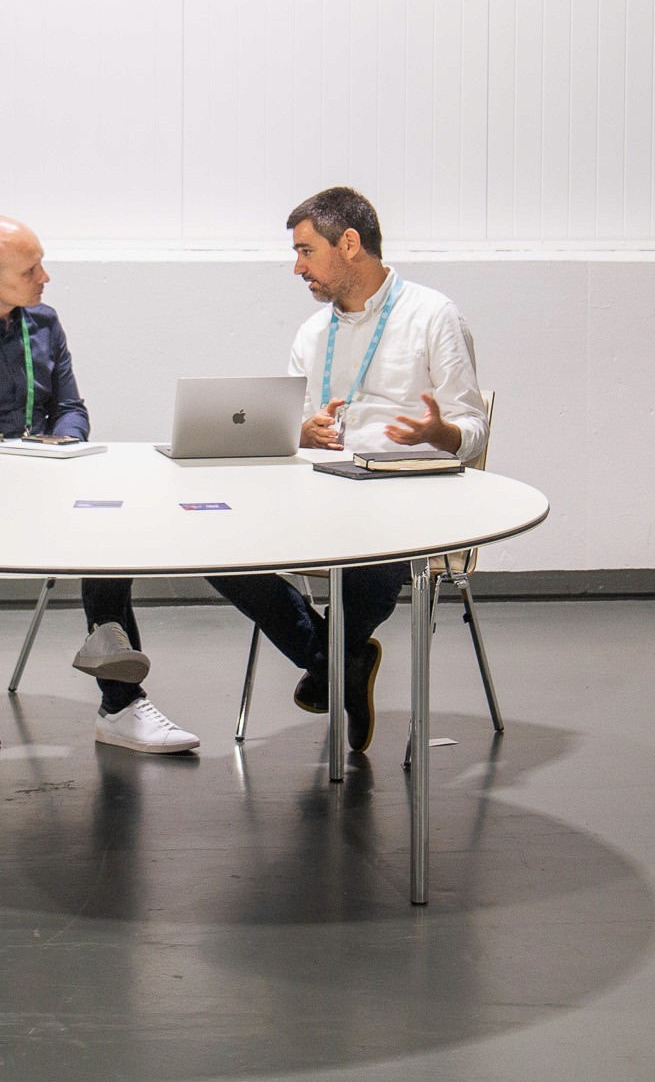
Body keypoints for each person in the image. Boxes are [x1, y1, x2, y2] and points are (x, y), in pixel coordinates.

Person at [0, 216, 200, 755]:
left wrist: (63, 443)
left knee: (116, 524)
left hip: (49, 489)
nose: (45, 277)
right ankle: (121, 698)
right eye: (31, 269)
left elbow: (72, 408)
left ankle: (119, 698)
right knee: (101, 536)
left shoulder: (44, 323)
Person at [203, 186, 489, 752]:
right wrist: (301, 432)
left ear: (350, 244)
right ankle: (341, 663)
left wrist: (439, 434)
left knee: (374, 544)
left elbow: (472, 428)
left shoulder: (433, 315)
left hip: (403, 497)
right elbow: (297, 427)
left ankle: (330, 664)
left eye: (306, 251)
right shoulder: (313, 334)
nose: (297, 267)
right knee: (215, 546)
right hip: (323, 493)